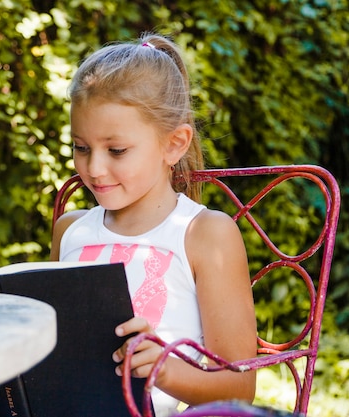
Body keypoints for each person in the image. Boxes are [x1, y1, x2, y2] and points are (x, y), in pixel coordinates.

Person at [50, 33, 257, 417]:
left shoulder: (203, 234)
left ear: (174, 144)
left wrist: (164, 369)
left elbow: (239, 389)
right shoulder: (70, 230)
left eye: (116, 150)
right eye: (81, 147)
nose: (93, 169)